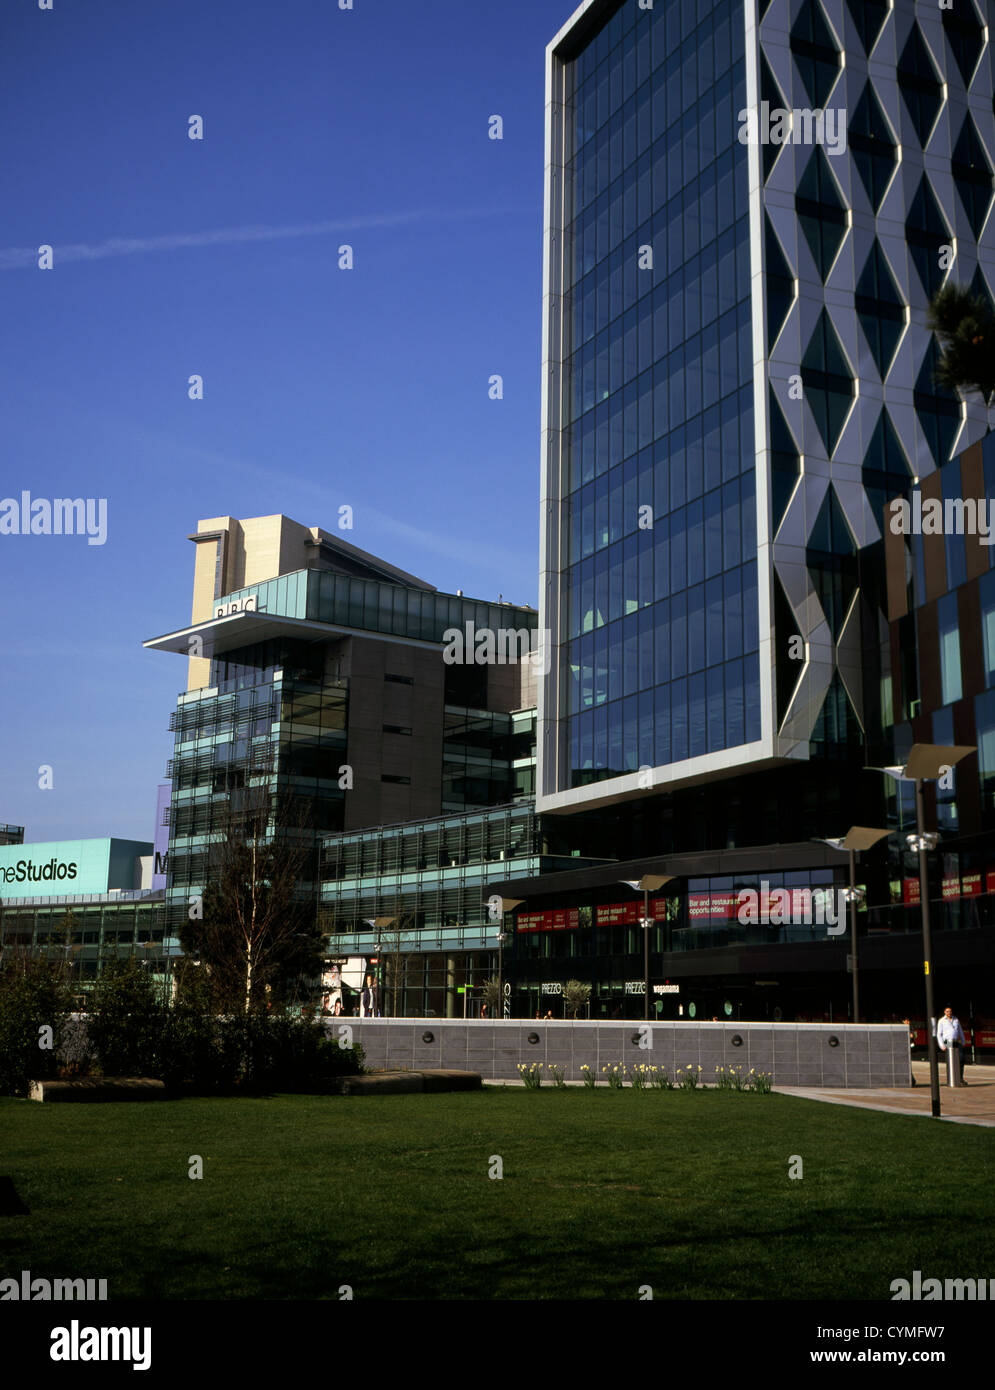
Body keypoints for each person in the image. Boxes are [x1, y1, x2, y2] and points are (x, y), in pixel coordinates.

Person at [936, 1006, 967, 1085]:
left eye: (950, 1011)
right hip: (947, 1041)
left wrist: (963, 1041)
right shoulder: (941, 1021)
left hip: (956, 1041)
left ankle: (960, 1078)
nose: (949, 1013)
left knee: (961, 1058)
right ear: (944, 1012)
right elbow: (939, 1034)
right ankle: (951, 1078)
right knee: (951, 1059)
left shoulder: (956, 1020)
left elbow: (960, 1031)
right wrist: (941, 1045)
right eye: (947, 1011)